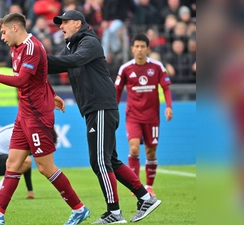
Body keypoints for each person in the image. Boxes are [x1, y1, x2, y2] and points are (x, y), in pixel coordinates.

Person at [0, 12, 90, 225]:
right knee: (13, 163)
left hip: (37, 116)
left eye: (4, 32)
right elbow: (40, 76)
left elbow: (22, 80)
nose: (2, 37)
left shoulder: (32, 47)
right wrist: (52, 94)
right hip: (23, 115)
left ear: (15, 27)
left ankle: (79, 209)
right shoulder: (15, 48)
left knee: (45, 167)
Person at [47, 10, 161, 224]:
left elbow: (72, 61)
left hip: (100, 107)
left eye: (64, 22)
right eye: (59, 23)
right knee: (111, 161)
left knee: (99, 160)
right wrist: (34, 60)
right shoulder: (72, 46)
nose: (60, 26)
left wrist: (37, 57)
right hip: (96, 108)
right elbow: (53, 64)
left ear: (78, 24)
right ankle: (145, 198)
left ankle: (114, 212)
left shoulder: (89, 42)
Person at [114, 34, 173, 197]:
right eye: (136, 46)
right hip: (133, 115)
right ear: (132, 48)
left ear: (148, 48)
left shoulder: (157, 66)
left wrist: (169, 106)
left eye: (142, 46)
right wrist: (113, 110)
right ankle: (136, 185)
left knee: (151, 152)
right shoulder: (125, 68)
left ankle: (149, 186)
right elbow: (117, 91)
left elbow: (166, 87)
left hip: (152, 117)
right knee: (133, 148)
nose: (139, 49)